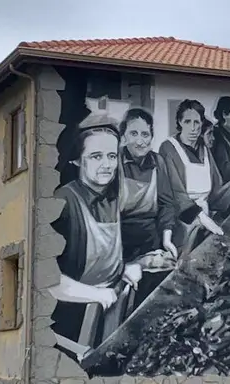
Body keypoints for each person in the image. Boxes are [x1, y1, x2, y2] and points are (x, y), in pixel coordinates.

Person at [47, 110, 143, 362]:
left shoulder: (113, 199)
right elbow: (46, 280)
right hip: (69, 326)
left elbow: (109, 255)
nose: (106, 164)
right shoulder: (63, 203)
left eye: (112, 156)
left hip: (106, 318)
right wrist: (96, 295)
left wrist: (125, 269)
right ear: (78, 161)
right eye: (96, 156)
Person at [158, 99, 226, 249]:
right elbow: (176, 193)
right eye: (187, 122)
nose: (193, 128)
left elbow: (217, 185)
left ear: (202, 123)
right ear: (180, 122)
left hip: (205, 212)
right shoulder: (168, 148)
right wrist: (202, 217)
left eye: (197, 122)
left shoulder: (205, 150)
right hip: (181, 217)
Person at [118, 108, 178, 262]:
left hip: (151, 236)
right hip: (119, 236)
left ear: (151, 137)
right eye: (133, 133)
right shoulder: (115, 160)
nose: (140, 141)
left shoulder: (158, 162)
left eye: (145, 134)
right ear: (123, 135)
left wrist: (167, 239)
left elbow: (167, 204)